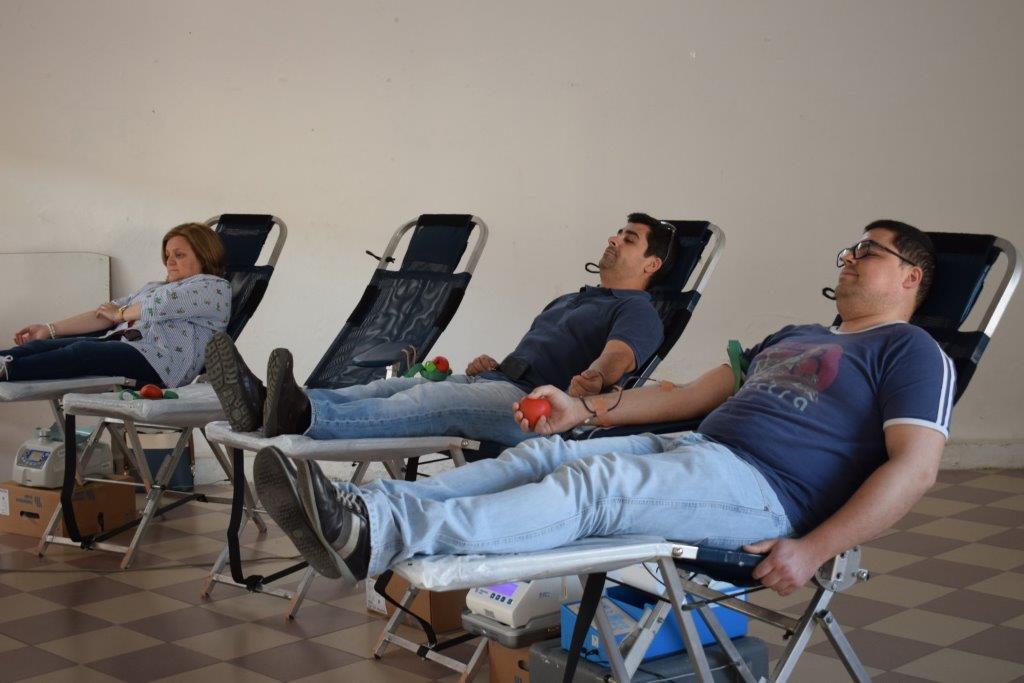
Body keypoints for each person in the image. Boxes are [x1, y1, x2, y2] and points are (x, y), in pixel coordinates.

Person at [250, 219, 955, 597]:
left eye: (869, 251)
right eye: (851, 248)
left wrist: (815, 548)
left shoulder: (914, 351)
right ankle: (366, 508)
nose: (849, 258)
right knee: (541, 455)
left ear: (911, 277)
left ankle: (380, 532)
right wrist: (581, 412)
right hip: (702, 451)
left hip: (768, 494)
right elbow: (685, 396)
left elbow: (916, 469)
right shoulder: (793, 334)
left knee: (595, 485)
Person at [206, 213, 674, 447]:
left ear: (651, 264)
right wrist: (498, 365)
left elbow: (619, 357)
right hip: (502, 382)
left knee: (425, 401)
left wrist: (595, 377)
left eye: (628, 239)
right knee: (385, 388)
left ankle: (303, 418)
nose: (614, 239)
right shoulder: (574, 298)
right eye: (618, 232)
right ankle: (267, 403)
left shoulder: (639, 311)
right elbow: (544, 352)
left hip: (537, 412)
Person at [1, 223, 231, 388]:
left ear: (204, 255)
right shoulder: (154, 287)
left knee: (83, 352)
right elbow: (104, 314)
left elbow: (162, 306)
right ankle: (4, 359)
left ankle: (8, 370)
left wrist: (120, 315)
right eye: (167, 255)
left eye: (179, 255)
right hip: (128, 347)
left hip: (163, 363)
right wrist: (49, 329)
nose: (169, 261)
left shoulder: (214, 287)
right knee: (44, 345)